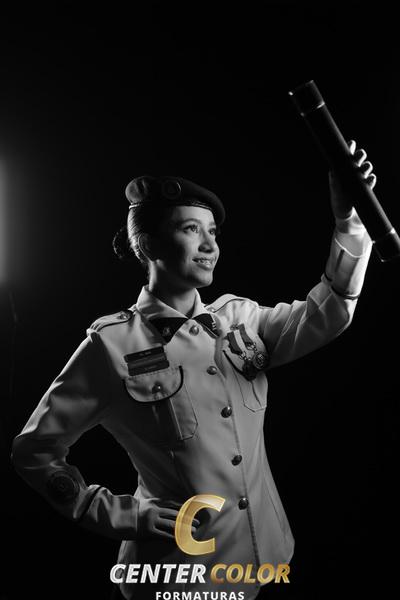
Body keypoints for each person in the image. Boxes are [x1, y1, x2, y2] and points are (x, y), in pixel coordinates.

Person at [11, 143, 376, 600]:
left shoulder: (241, 320)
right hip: (179, 575)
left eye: (213, 232)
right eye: (190, 229)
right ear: (148, 244)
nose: (209, 245)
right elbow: (34, 450)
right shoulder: (111, 346)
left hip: (266, 558)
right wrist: (121, 515)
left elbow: (332, 311)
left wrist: (349, 221)